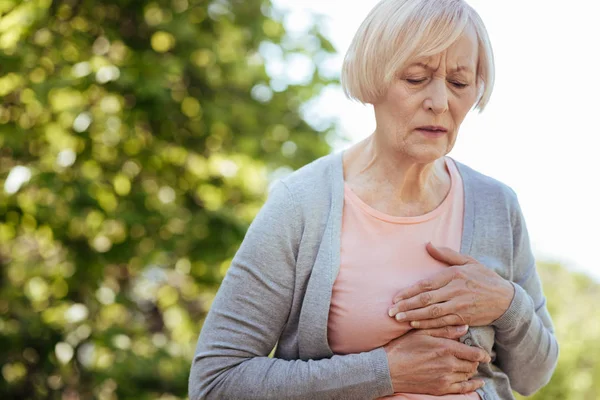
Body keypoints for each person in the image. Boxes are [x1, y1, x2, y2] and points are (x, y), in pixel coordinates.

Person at [188, 0, 559, 398]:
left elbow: (533, 376)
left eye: (459, 82)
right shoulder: (301, 205)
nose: (439, 101)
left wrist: (507, 303)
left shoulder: (497, 205)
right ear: (373, 80)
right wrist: (385, 371)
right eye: (416, 78)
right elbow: (216, 383)